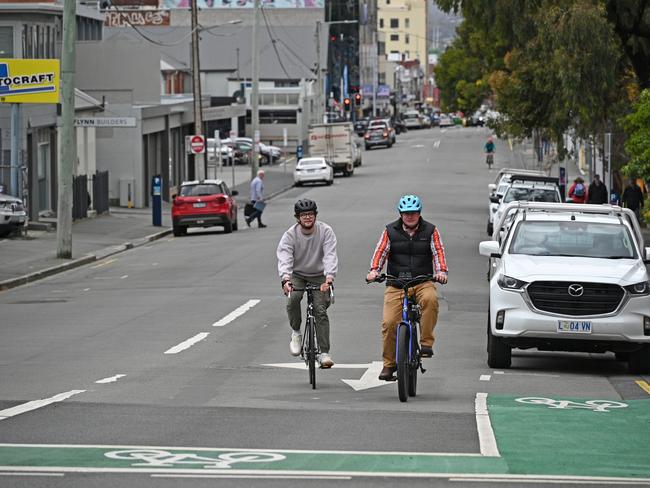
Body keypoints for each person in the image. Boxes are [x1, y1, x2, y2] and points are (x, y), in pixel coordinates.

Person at [366, 195, 448, 381]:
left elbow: (438, 252)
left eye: (413, 213)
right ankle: (389, 365)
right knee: (388, 323)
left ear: (419, 213)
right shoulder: (389, 231)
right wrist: (374, 271)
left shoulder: (431, 231)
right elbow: (380, 252)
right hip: (396, 283)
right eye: (406, 214)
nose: (410, 217)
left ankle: (426, 343)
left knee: (430, 300)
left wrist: (441, 271)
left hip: (422, 281)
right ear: (400, 214)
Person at [277, 199, 338, 368]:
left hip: (320, 275)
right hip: (298, 274)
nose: (307, 218)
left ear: (315, 215)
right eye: (303, 215)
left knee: (320, 311)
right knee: (293, 299)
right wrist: (285, 279)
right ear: (297, 218)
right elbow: (285, 257)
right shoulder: (290, 235)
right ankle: (296, 332)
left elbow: (330, 255)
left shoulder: (325, 231)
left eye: (310, 214)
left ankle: (324, 353)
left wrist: (329, 278)